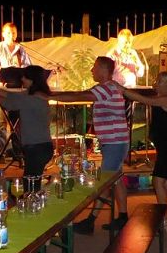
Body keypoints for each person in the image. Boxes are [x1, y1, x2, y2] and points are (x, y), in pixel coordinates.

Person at [48, 57, 129, 232]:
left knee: (105, 181)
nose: (92, 70)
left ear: (103, 70)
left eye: (94, 67)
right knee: (116, 179)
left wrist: (48, 96)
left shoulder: (106, 88)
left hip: (115, 142)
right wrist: (52, 94)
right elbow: (80, 93)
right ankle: (123, 216)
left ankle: (91, 221)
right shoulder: (107, 87)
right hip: (116, 141)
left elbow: (79, 97)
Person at [117, 72, 167, 228]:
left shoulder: (166, 100)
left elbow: (144, 100)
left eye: (162, 82)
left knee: (158, 181)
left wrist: (122, 89)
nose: (158, 84)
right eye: (158, 81)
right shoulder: (163, 99)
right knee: (165, 184)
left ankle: (162, 219)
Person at [0, 65, 56, 177]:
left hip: (36, 147)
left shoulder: (30, 98)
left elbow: (6, 102)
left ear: (32, 80)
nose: (22, 79)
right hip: (41, 146)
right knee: (33, 180)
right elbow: (8, 94)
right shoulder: (33, 94)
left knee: (30, 181)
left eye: (25, 77)